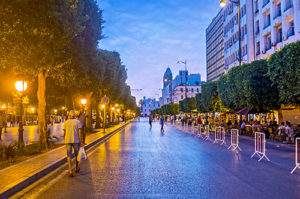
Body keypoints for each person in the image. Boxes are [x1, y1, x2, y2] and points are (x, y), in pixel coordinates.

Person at [63, 110, 83, 177]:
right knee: (76, 155)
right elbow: (80, 132)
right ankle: (76, 167)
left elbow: (64, 133)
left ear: (69, 115)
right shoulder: (78, 122)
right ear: (75, 115)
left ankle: (70, 171)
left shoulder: (66, 122)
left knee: (69, 156)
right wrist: (81, 142)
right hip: (76, 140)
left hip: (68, 141)